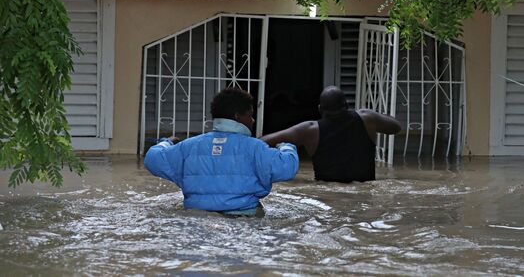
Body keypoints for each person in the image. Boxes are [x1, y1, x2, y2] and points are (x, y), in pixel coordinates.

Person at [144, 88, 299, 216]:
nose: (252, 120)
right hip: (243, 220)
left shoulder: (188, 146)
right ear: (237, 116)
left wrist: (166, 142)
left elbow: (152, 158)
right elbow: (288, 167)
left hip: (195, 217)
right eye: (250, 115)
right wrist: (286, 147)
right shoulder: (256, 148)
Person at [261, 86, 402, 183]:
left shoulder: (310, 130)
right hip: (364, 192)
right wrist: (376, 115)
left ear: (320, 109)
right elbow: (396, 127)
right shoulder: (367, 118)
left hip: (328, 194)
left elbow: (264, 141)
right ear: (347, 106)